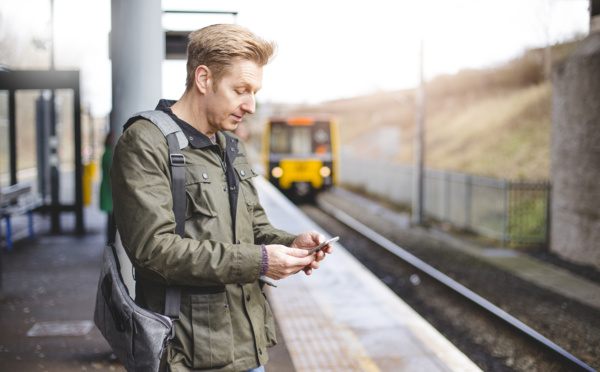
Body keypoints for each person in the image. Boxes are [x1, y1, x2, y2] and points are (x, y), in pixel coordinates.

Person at [110, 24, 333, 372]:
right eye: (241, 90)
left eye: (254, 92)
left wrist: (293, 243)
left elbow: (254, 227)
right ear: (203, 79)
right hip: (186, 352)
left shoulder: (231, 145)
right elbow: (153, 251)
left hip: (247, 347)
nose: (251, 105)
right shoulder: (145, 143)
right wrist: (259, 261)